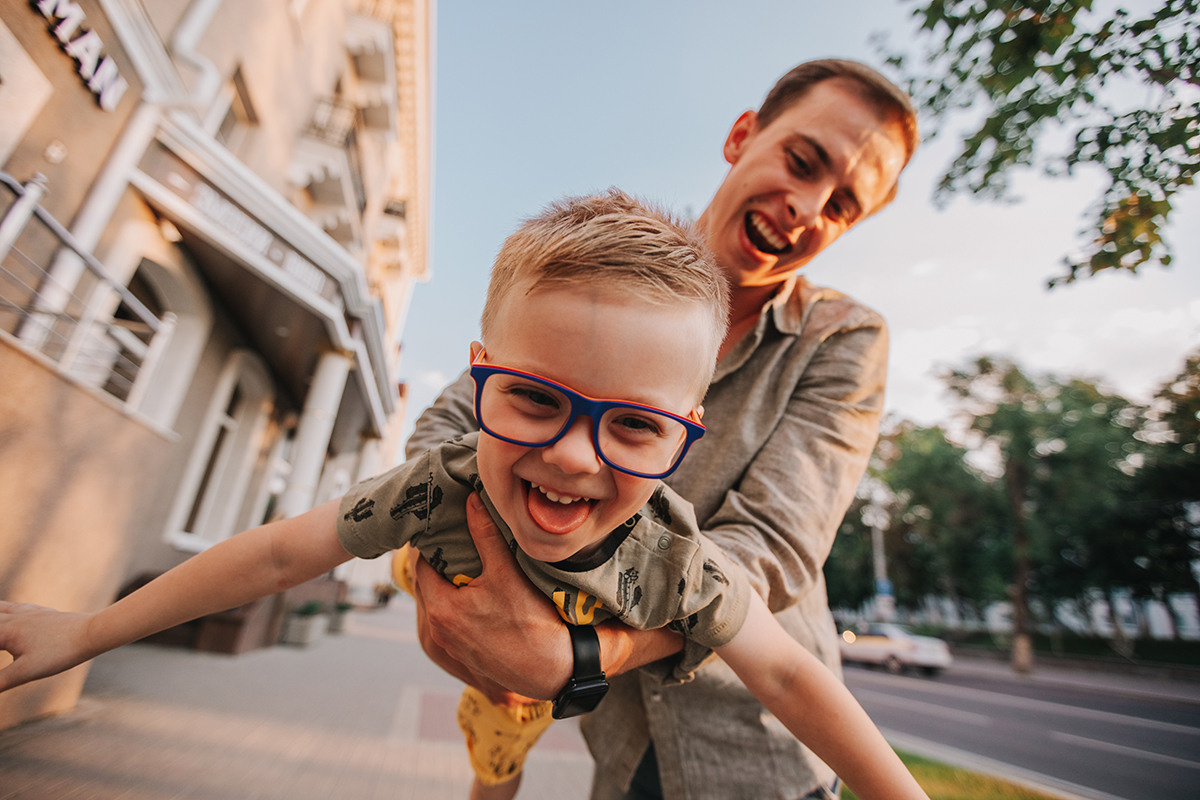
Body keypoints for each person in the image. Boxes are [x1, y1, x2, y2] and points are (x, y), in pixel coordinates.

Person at [0, 191, 928, 800]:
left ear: (688, 424)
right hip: (493, 697)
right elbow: (283, 551)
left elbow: (795, 675)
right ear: (478, 375)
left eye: (634, 427)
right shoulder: (437, 488)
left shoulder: (679, 565)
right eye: (532, 399)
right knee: (494, 766)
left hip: (613, 716)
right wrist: (84, 631)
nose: (571, 460)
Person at [400, 59, 920, 800]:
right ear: (743, 135)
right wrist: (455, 577)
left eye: (842, 206)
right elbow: (451, 426)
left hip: (755, 750)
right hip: (619, 750)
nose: (808, 206)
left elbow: (769, 547)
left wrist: (580, 653)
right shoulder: (607, 268)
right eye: (802, 162)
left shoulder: (843, 338)